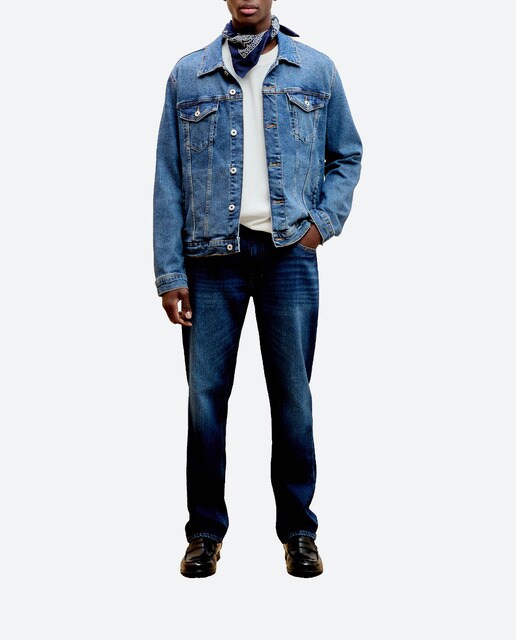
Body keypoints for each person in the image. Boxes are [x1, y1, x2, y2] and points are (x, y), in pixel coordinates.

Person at [153, 0, 362, 578]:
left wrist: (322, 223)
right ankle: (204, 533)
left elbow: (347, 154)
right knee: (205, 399)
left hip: (288, 255)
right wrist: (170, 273)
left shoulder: (315, 68)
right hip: (208, 261)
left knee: (293, 398)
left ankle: (299, 531)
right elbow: (168, 177)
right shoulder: (189, 74)